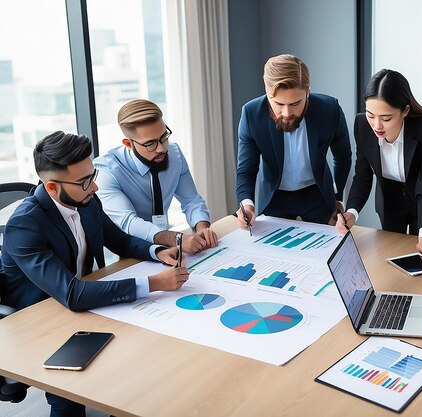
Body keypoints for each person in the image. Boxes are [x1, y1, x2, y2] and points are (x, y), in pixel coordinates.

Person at [1, 131, 190, 417]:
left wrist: (156, 252)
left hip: (78, 306)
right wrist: (153, 283)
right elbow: (73, 294)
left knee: (142, 361)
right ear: (52, 187)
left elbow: (121, 241)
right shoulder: (24, 226)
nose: (96, 186)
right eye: (86, 181)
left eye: (93, 175)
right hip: (37, 318)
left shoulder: (86, 201)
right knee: (71, 397)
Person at [336, 69, 422, 253]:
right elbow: (362, 175)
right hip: (392, 197)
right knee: (391, 255)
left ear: (405, 111)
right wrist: (351, 212)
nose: (377, 125)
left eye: (386, 118)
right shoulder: (362, 125)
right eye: (371, 115)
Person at [235, 54, 352, 228]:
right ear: (267, 94)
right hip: (275, 197)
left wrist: (337, 197)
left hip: (318, 195)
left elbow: (343, 156)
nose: (287, 113)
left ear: (308, 92)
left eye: (296, 103)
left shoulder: (330, 110)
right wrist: (247, 205)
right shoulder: (251, 115)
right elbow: (246, 169)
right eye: (279, 104)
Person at [94, 99, 217, 254]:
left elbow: (191, 200)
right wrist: (177, 240)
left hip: (169, 247)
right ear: (128, 144)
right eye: (150, 143)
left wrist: (202, 227)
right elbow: (128, 222)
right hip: (133, 252)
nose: (161, 148)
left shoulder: (174, 153)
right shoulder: (106, 171)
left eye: (164, 137)